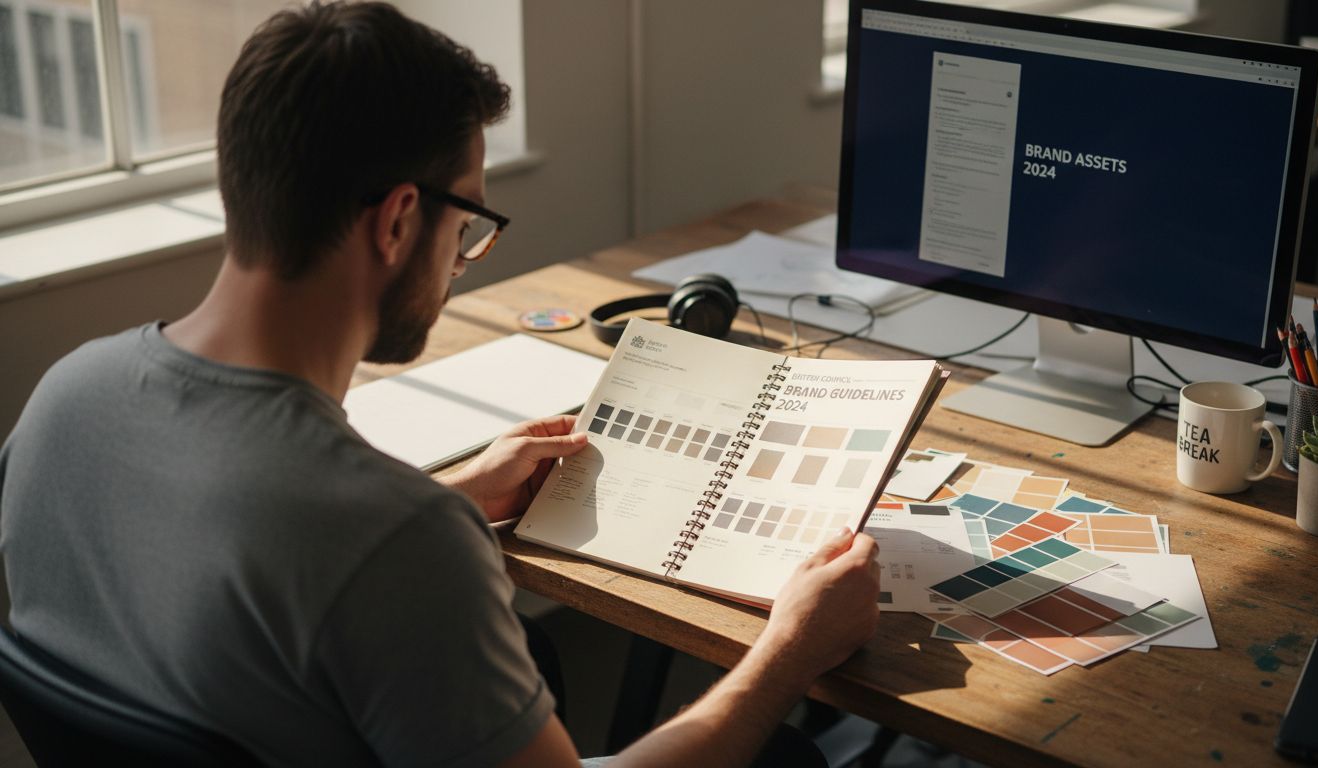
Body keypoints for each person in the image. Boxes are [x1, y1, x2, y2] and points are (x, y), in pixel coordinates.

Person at [0, 2, 881, 765]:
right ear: (396, 221)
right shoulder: (393, 541)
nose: (464, 260)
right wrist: (790, 651)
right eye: (470, 221)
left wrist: (451, 497)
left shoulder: (62, 401)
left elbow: (238, 564)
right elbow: (349, 551)